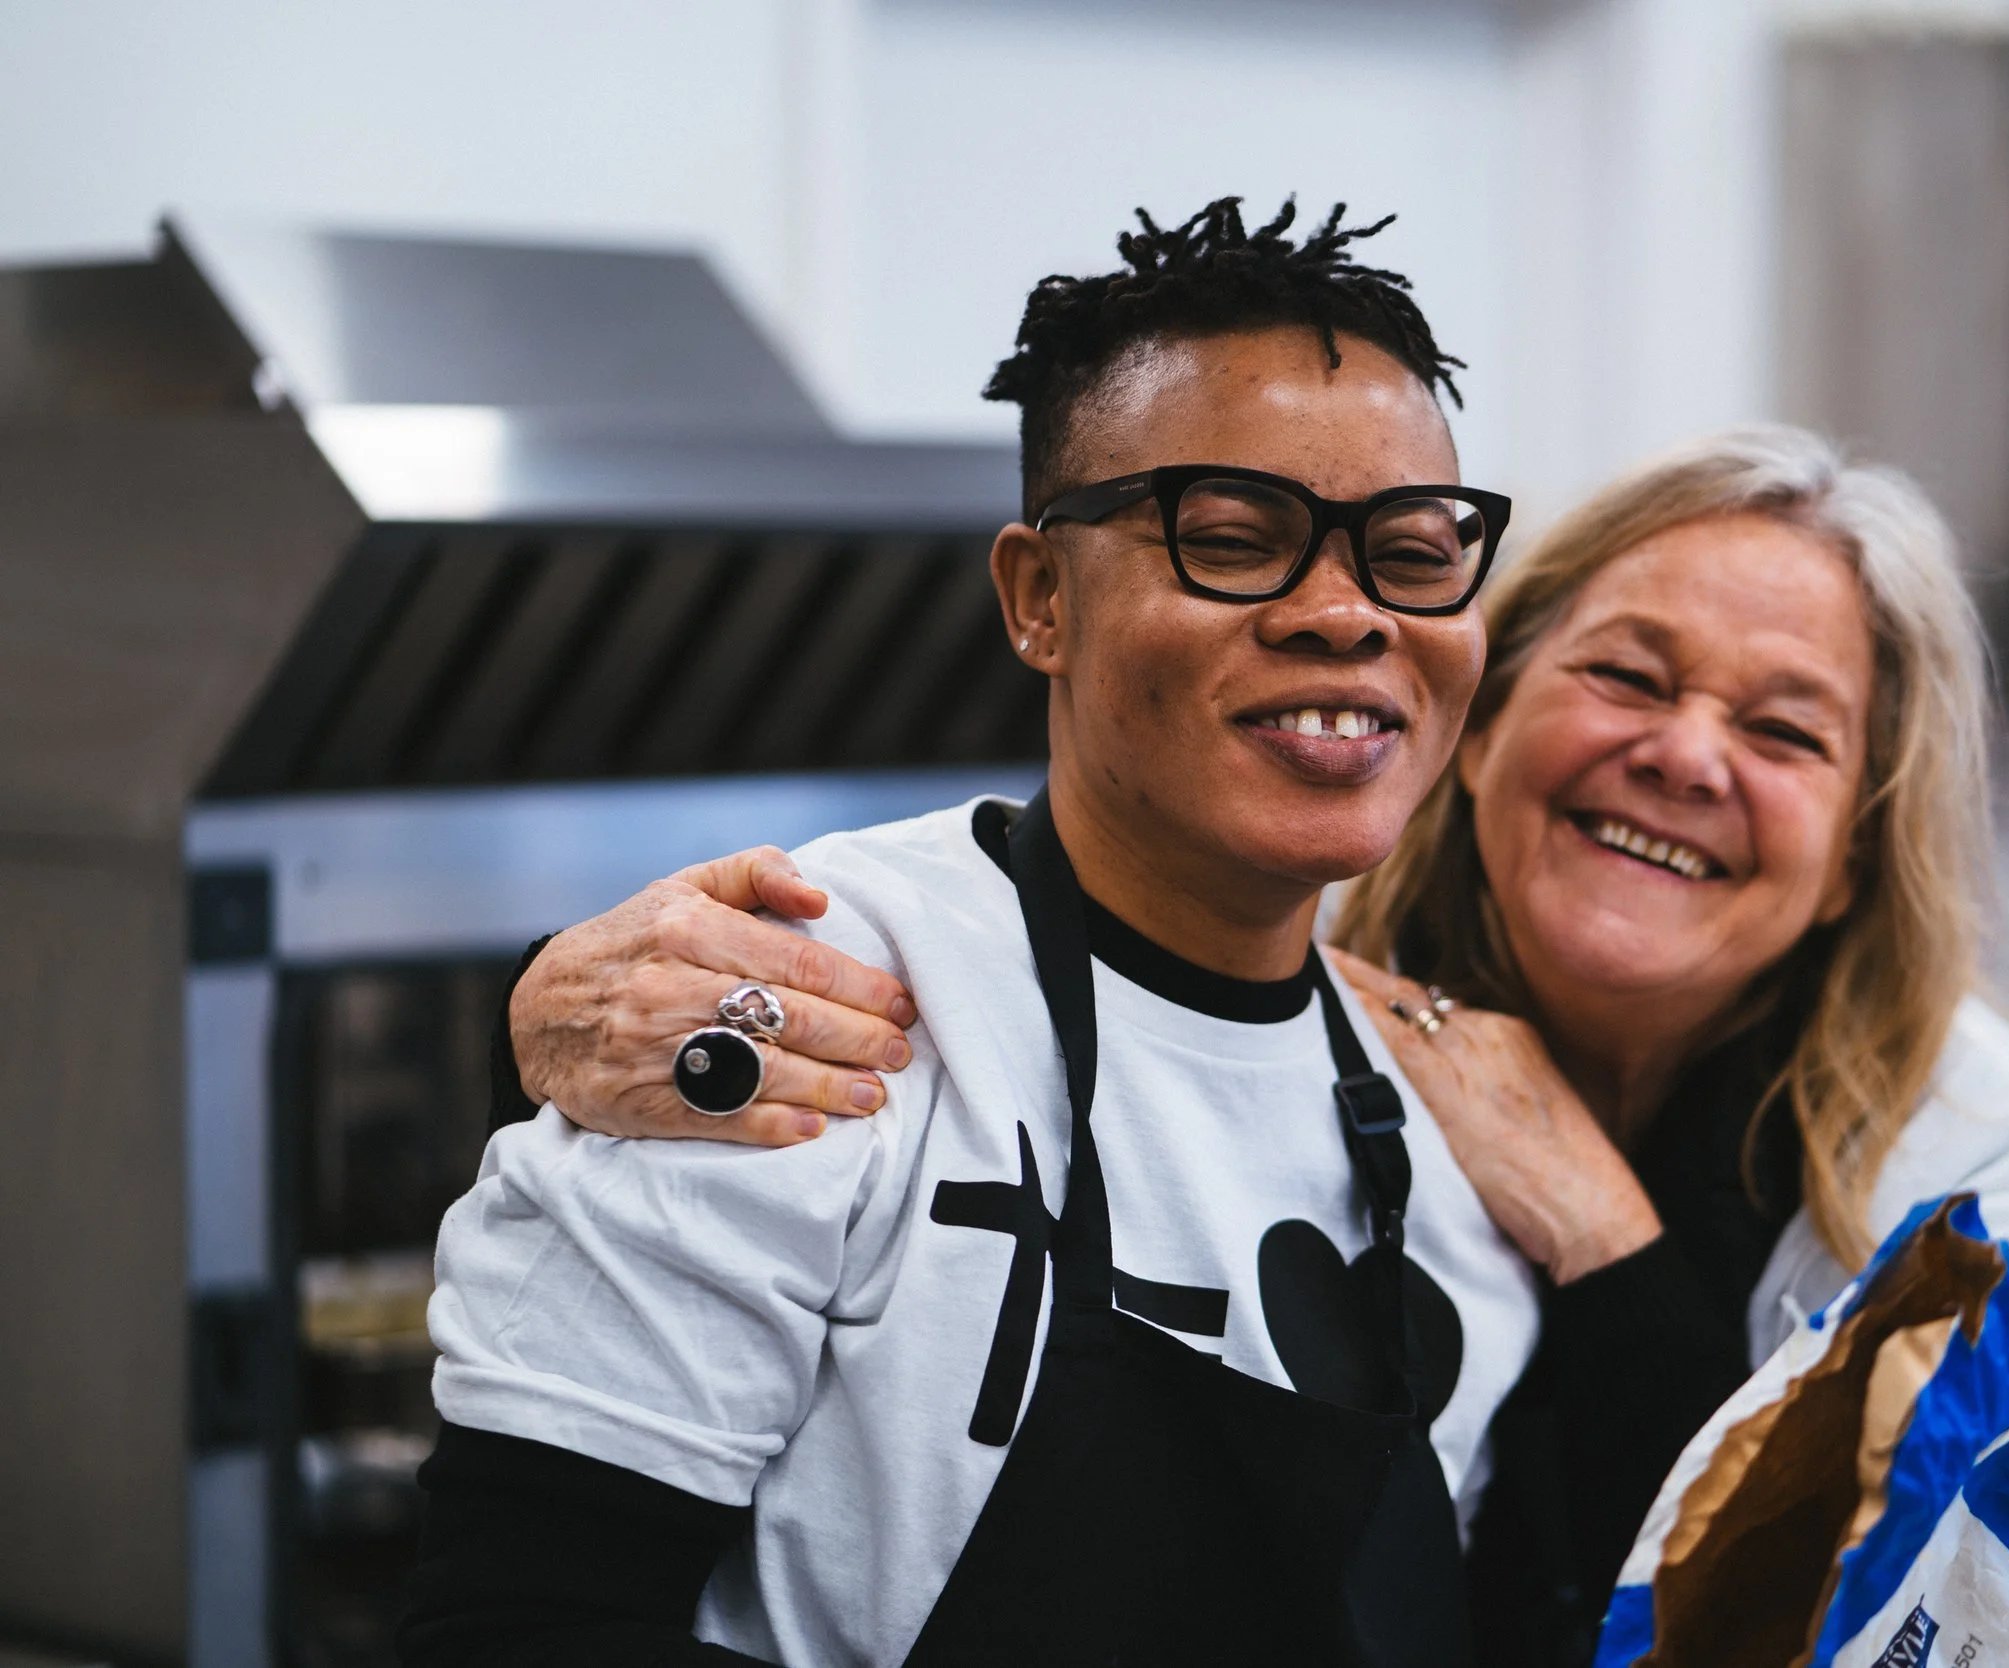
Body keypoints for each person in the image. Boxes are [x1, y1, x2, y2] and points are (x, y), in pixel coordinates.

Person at [506, 427, 2009, 1663]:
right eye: (1626, 676)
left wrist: (1602, 1235)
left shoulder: (1947, 1137)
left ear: (1862, 845)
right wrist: (554, 1002)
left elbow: (1805, 1625)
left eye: (1784, 732)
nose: (1681, 757)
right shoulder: (1283, 953)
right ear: (1487, 711)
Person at [401, 197, 1545, 1668]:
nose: (1343, 614)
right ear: (1039, 598)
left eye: (1409, 550)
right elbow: (517, 1633)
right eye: (1232, 536)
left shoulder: (1453, 1135)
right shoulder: (802, 1004)